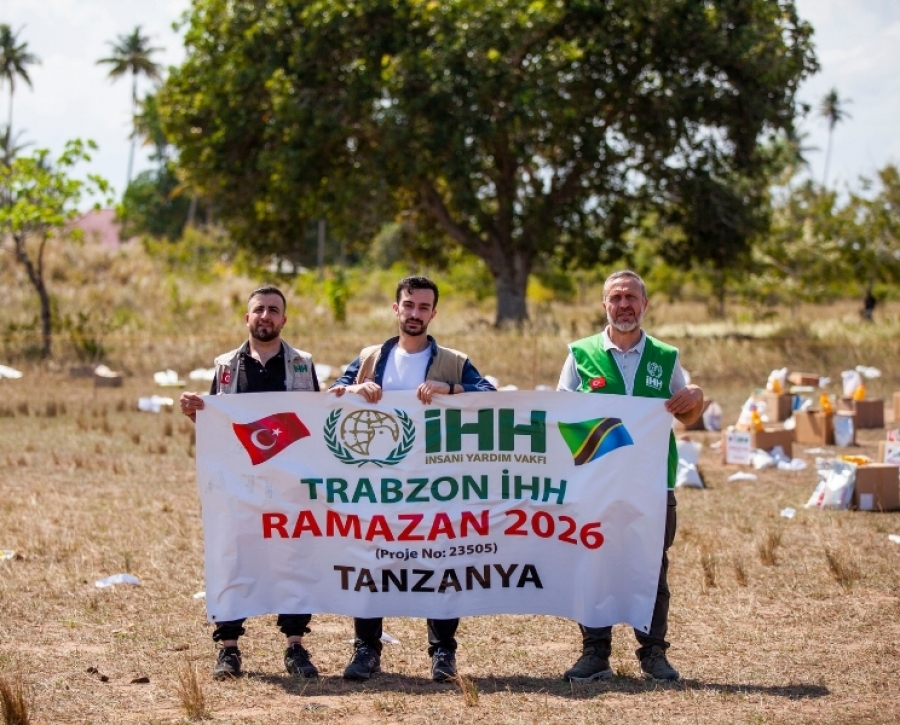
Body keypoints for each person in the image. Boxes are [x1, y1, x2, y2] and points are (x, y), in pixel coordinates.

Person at [329, 275, 496, 682]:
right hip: (378, 486)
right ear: (396, 308)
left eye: (424, 307)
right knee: (371, 562)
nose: (415, 313)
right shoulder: (371, 358)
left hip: (436, 486)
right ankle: (366, 649)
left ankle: (442, 654)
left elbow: (491, 394)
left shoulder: (453, 360)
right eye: (409, 305)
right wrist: (355, 390)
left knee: (443, 562)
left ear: (433, 313)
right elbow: (331, 394)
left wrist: (451, 388)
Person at [556, 270, 703, 683]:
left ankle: (653, 653)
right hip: (595, 485)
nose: (624, 305)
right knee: (593, 563)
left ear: (645, 304)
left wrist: (696, 397)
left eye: (631, 297)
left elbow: (688, 413)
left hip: (654, 485)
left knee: (651, 567)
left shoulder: (666, 357)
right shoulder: (580, 354)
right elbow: (559, 416)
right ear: (605, 305)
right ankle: (595, 653)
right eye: (616, 297)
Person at [179, 285, 321, 681]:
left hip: (287, 480)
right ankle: (228, 648)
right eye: (259, 309)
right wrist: (195, 411)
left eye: (273, 310)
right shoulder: (226, 366)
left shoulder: (301, 365)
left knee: (291, 556)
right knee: (233, 555)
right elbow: (213, 423)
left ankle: (295, 645)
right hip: (238, 482)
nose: (265, 316)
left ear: (284, 319)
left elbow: (314, 420)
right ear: (247, 317)